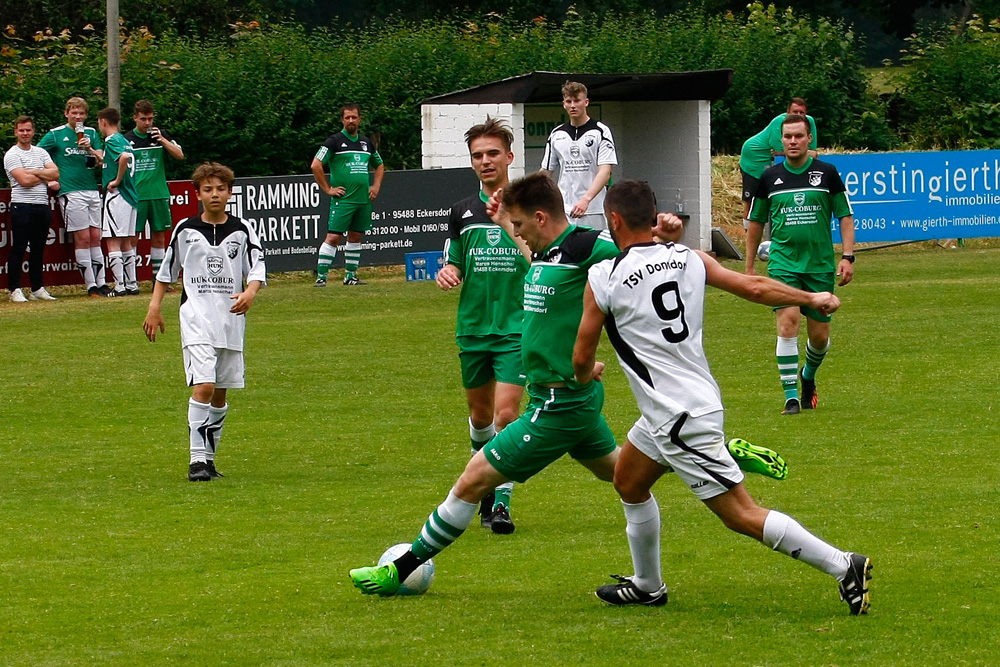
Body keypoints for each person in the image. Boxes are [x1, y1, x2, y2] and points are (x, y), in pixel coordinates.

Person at [347, 174, 785, 597]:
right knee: (625, 475)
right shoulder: (549, 250)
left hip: (558, 406)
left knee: (471, 480)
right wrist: (505, 222)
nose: (515, 233)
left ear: (540, 218)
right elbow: (541, 263)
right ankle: (722, 454)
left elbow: (639, 257)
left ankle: (399, 571)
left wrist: (663, 234)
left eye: (519, 225)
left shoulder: (589, 246)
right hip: (568, 400)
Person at [573, 179, 871, 615]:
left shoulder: (604, 276)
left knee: (740, 514)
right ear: (654, 219)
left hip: (677, 416)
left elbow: (582, 354)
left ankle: (844, 564)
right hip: (681, 407)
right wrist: (810, 296)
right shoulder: (689, 257)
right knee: (629, 482)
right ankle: (647, 585)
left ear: (613, 220)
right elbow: (753, 287)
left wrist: (585, 375)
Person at [143, 162, 266, 482]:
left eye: (221, 189)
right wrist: (154, 308)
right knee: (205, 386)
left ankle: (209, 460)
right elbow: (166, 273)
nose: (215, 195)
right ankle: (196, 460)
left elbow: (256, 269)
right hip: (196, 317)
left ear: (230, 192)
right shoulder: (185, 229)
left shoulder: (243, 229)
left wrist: (250, 292)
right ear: (198, 193)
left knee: (221, 394)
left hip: (231, 320)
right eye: (208, 189)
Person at [437, 117, 531, 533]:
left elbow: (543, 256)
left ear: (510, 157)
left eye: (493, 153)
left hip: (518, 326)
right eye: (478, 155)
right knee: (480, 419)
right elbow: (453, 259)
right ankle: (489, 483)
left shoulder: (529, 207)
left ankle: (500, 501)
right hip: (474, 326)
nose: (485, 160)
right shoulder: (462, 211)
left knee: (507, 416)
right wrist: (447, 272)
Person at [745, 114, 855, 415]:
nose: (793, 141)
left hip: (819, 265)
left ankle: (808, 376)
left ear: (809, 140)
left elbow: (845, 215)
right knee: (788, 322)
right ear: (781, 141)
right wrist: (750, 265)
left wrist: (847, 257)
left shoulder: (827, 173)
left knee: (819, 337)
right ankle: (791, 397)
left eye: (798, 136)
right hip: (783, 264)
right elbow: (755, 221)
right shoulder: (769, 178)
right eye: (788, 137)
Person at [37, 97, 111, 297]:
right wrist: (49, 180)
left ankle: (102, 283)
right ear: (66, 113)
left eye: (81, 113)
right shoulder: (56, 134)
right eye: (74, 112)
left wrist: (88, 148)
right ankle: (90, 286)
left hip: (91, 190)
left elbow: (101, 159)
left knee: (96, 236)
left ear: (86, 115)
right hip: (71, 192)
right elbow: (36, 155)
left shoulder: (92, 133)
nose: (78, 116)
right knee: (83, 238)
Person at [311, 103, 385, 286]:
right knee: (334, 237)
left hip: (363, 200)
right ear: (342, 120)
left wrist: (375, 186)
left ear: (359, 119)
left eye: (354, 117)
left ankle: (350, 276)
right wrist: (328, 189)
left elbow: (380, 165)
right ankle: (322, 277)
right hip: (343, 200)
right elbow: (316, 164)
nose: (351, 120)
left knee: (356, 236)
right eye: (347, 117)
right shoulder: (334, 141)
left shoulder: (366, 142)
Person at [539, 81, 617, 231]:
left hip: (593, 209)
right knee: (566, 252)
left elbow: (605, 172)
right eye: (569, 101)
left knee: (595, 253)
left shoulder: (601, 131)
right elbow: (545, 172)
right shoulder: (556, 134)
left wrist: (585, 200)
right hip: (564, 211)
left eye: (577, 100)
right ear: (564, 104)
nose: (573, 105)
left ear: (586, 102)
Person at [125, 99, 184, 284]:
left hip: (158, 193)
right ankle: (131, 281)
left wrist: (163, 140)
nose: (147, 123)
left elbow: (180, 155)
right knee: (132, 238)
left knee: (159, 237)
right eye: (143, 119)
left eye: (150, 119)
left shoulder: (160, 135)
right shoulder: (127, 139)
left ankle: (158, 281)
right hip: (136, 195)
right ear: (135, 118)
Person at [738, 98, 819, 228]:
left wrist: (808, 152)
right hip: (754, 160)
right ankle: (749, 233)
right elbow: (783, 151)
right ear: (787, 113)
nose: (798, 116)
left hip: (773, 162)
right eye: (794, 112)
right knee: (753, 201)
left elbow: (812, 152)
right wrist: (807, 152)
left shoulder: (810, 123)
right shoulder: (779, 122)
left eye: (801, 112)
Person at [4, 116, 59, 302]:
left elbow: (56, 173)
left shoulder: (41, 152)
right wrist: (44, 176)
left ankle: (37, 288)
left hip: (41, 206)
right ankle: (15, 289)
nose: (25, 133)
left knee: (38, 249)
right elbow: (24, 181)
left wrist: (33, 171)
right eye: (21, 130)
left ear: (33, 131)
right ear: (16, 132)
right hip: (22, 206)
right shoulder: (12, 154)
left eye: (28, 130)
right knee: (18, 248)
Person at [97, 107, 140, 296]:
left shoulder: (112, 140)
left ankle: (120, 286)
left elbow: (122, 158)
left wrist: (116, 180)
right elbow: (122, 156)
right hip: (131, 196)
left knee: (112, 241)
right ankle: (132, 284)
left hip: (118, 195)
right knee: (126, 243)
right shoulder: (123, 140)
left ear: (103, 122)